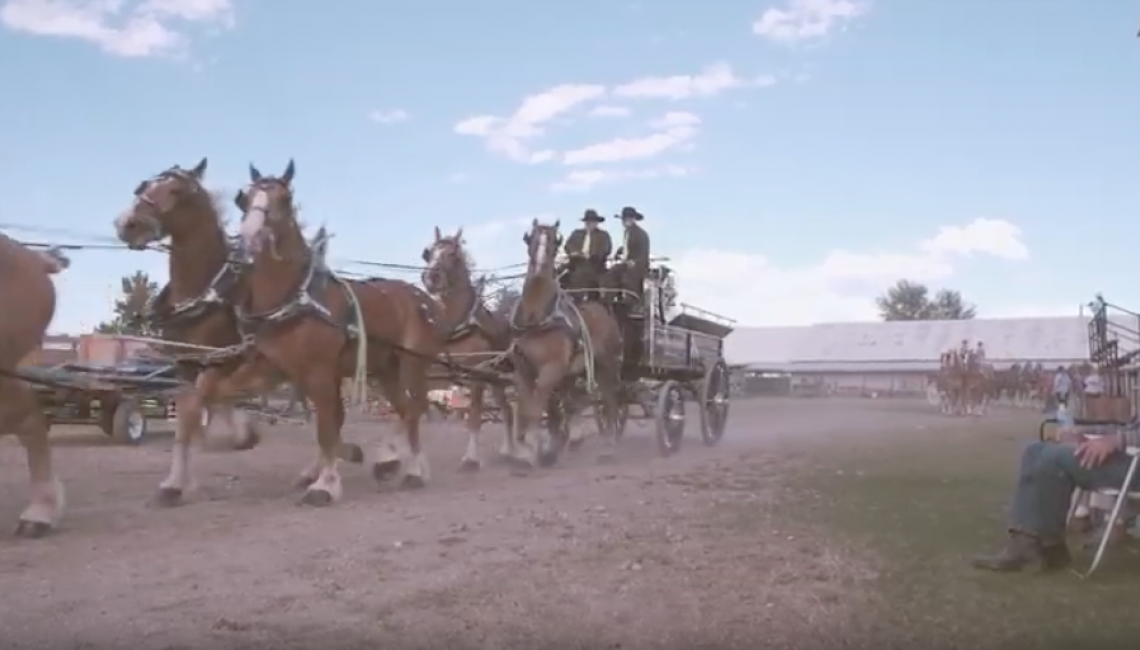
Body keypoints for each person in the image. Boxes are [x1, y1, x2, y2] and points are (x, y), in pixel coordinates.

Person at [971, 425, 1140, 572]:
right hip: (1129, 457)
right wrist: (1086, 432)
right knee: (1034, 450)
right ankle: (1047, 546)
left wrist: (1116, 440)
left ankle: (1035, 546)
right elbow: (1130, 428)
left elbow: (1125, 436)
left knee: (1054, 457)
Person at [608, 206, 650, 314]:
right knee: (612, 272)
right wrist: (620, 252)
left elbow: (643, 253)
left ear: (634, 219)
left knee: (629, 276)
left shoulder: (641, 234)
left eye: (628, 219)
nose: (625, 221)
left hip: (639, 265)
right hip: (627, 263)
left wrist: (634, 262)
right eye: (624, 219)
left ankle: (631, 301)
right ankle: (610, 298)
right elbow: (628, 248)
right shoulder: (628, 233)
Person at [562, 209, 612, 296]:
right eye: (587, 222)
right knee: (559, 272)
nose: (589, 224)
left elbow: (606, 249)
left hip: (594, 264)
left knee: (581, 274)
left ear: (596, 223)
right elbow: (568, 246)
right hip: (576, 262)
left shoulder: (603, 235)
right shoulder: (576, 233)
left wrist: (592, 255)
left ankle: (577, 296)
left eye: (592, 222)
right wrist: (574, 252)